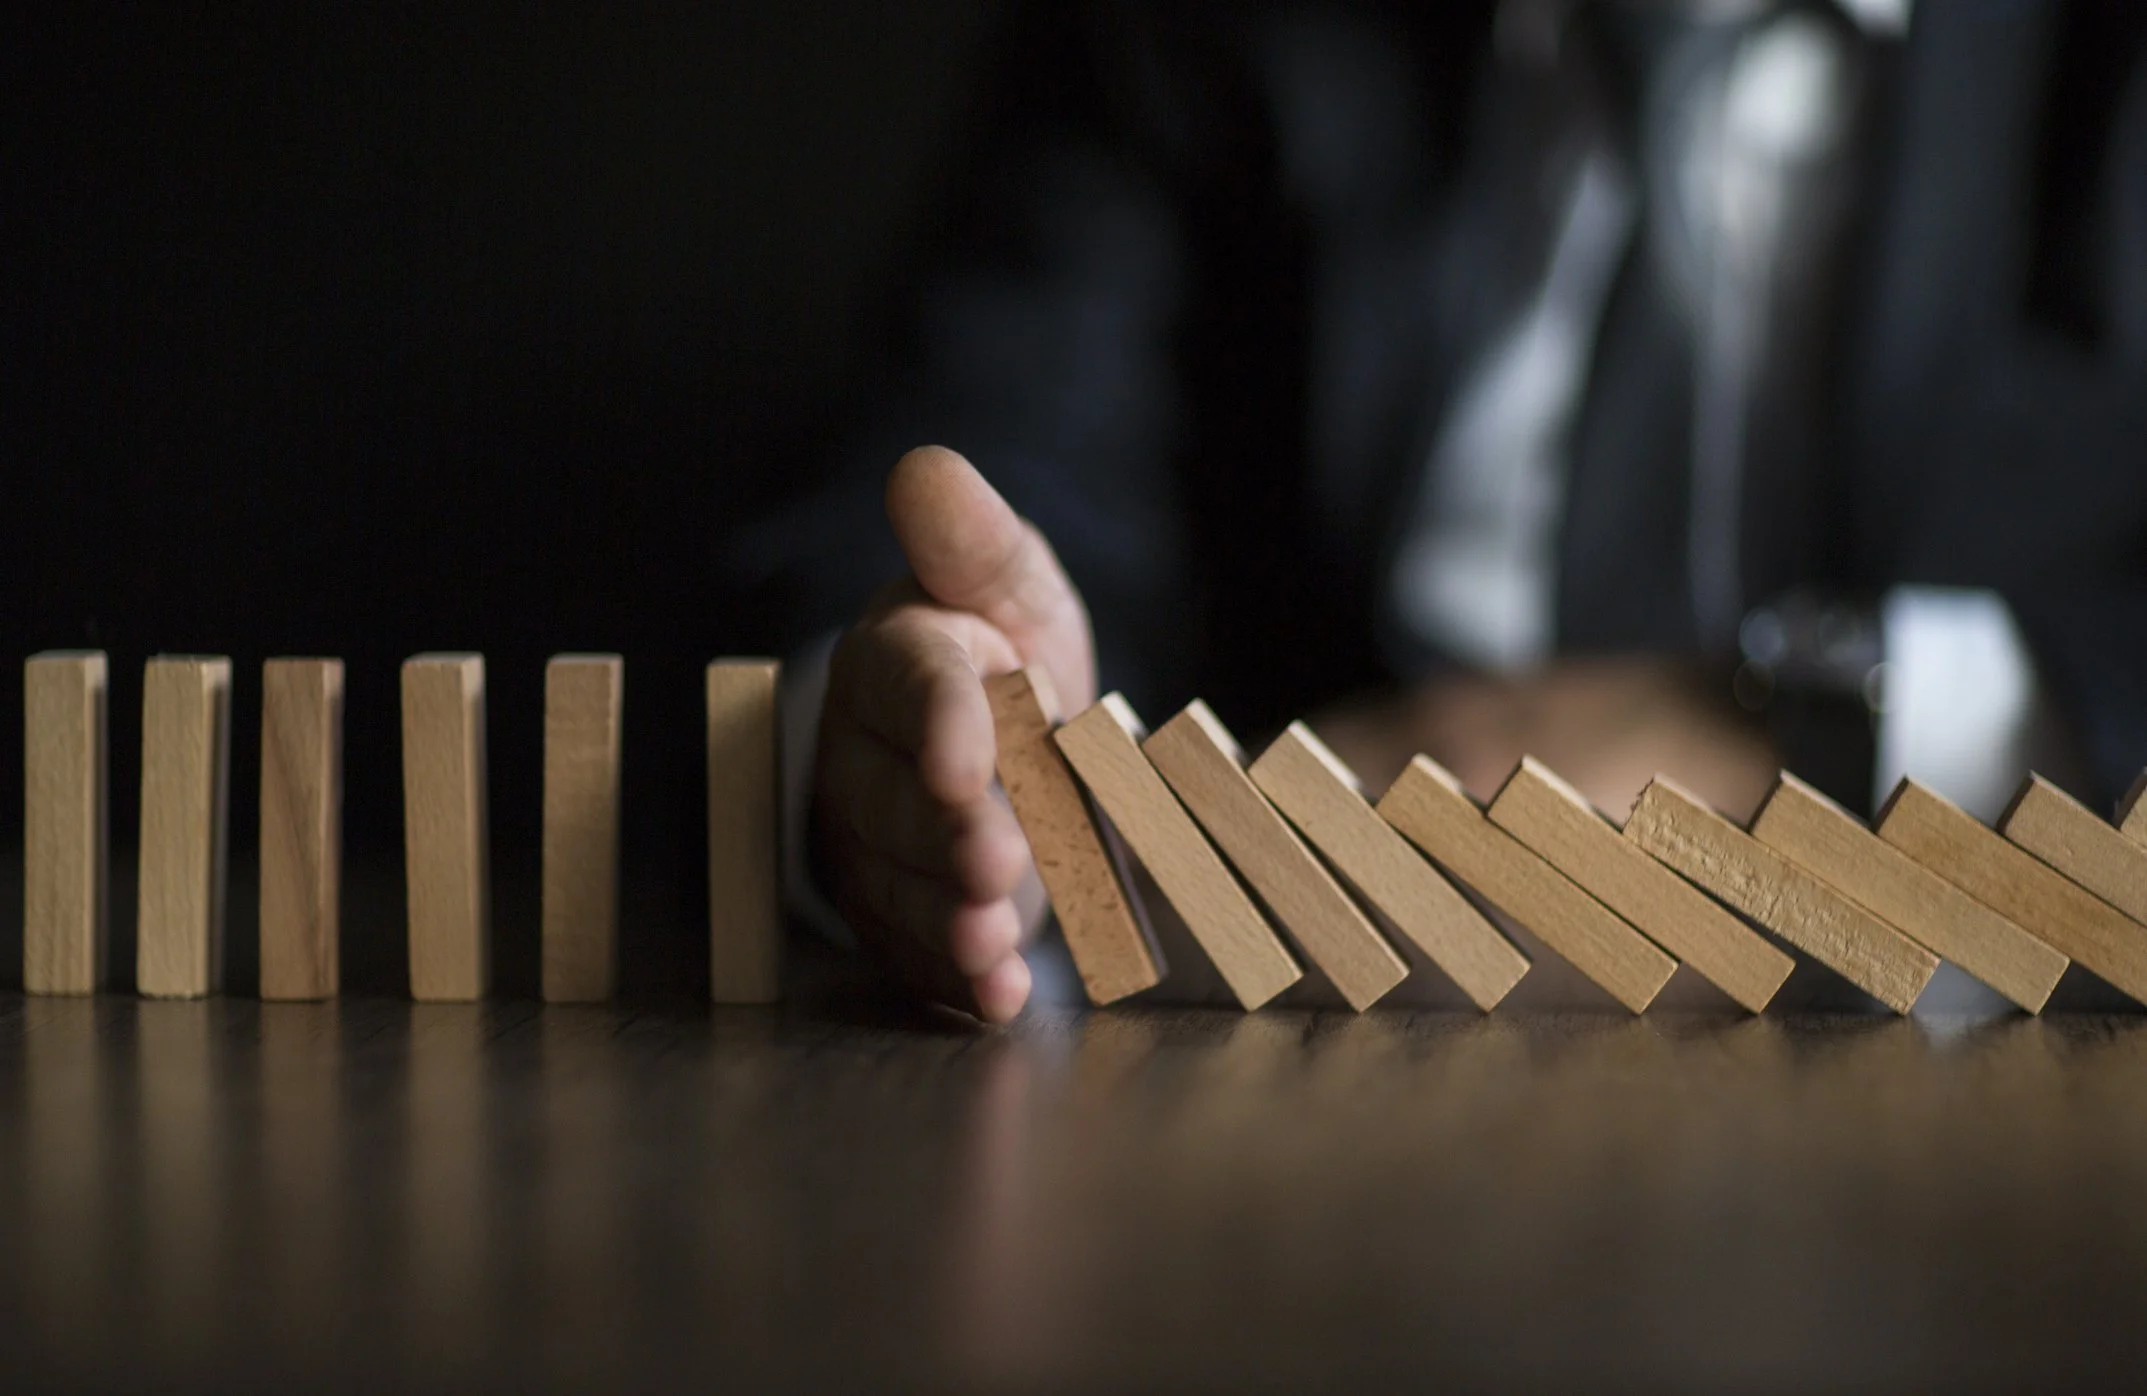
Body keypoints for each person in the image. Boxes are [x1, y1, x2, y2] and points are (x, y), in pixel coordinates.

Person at [779, 0, 2147, 1021]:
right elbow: (942, 479)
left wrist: (1825, 733)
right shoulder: (1198, 37)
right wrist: (924, 731)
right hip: (1250, 1109)